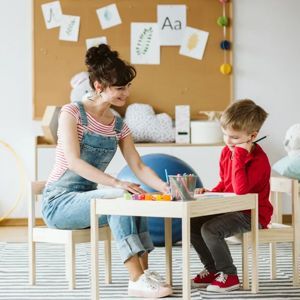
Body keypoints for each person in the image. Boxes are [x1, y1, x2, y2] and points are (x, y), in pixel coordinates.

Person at [41, 44, 172, 298]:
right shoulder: (72, 113)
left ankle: (144, 274)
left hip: (89, 200)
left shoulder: (118, 125)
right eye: (120, 88)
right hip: (59, 202)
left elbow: (139, 166)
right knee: (119, 199)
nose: (127, 93)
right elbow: (74, 162)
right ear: (99, 86)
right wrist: (115, 183)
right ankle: (135, 279)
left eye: (127, 87)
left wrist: (168, 189)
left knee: (136, 197)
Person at [190, 99, 273, 292]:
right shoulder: (227, 151)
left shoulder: (259, 161)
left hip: (251, 213)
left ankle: (230, 275)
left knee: (210, 230)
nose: (228, 141)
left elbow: (241, 192)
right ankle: (213, 269)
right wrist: (211, 191)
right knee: (193, 223)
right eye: (225, 134)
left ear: (252, 136)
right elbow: (227, 183)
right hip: (232, 209)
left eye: (234, 137)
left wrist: (238, 156)